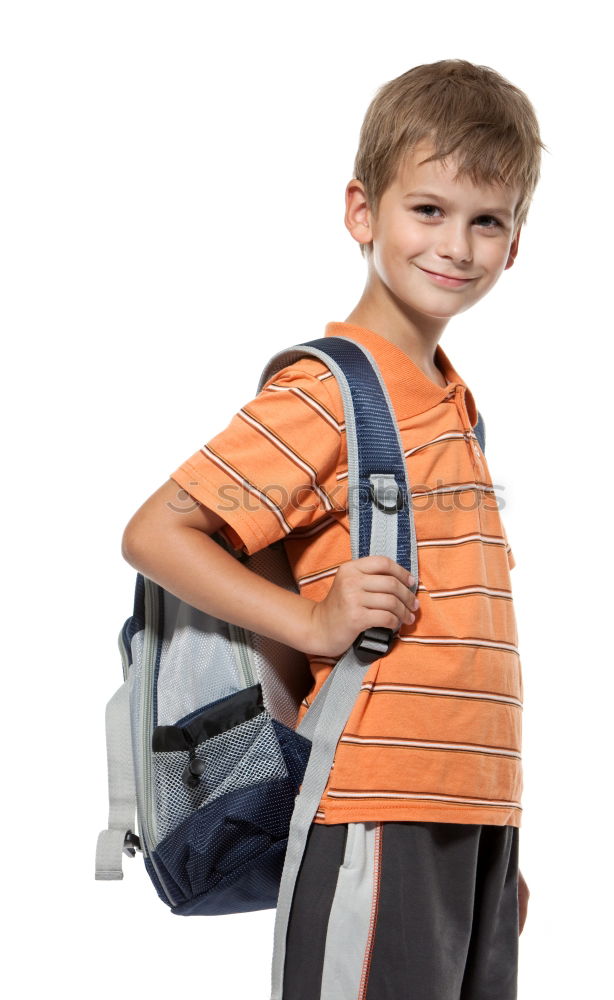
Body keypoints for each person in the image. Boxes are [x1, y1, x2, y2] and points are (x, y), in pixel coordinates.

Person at [122, 58, 546, 1000]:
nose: (457, 245)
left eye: (487, 221)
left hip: (465, 819)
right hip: (369, 808)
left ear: (515, 243)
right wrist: (311, 623)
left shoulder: (451, 402)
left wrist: (488, 839)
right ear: (363, 212)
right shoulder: (331, 391)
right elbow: (157, 531)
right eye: (426, 210)